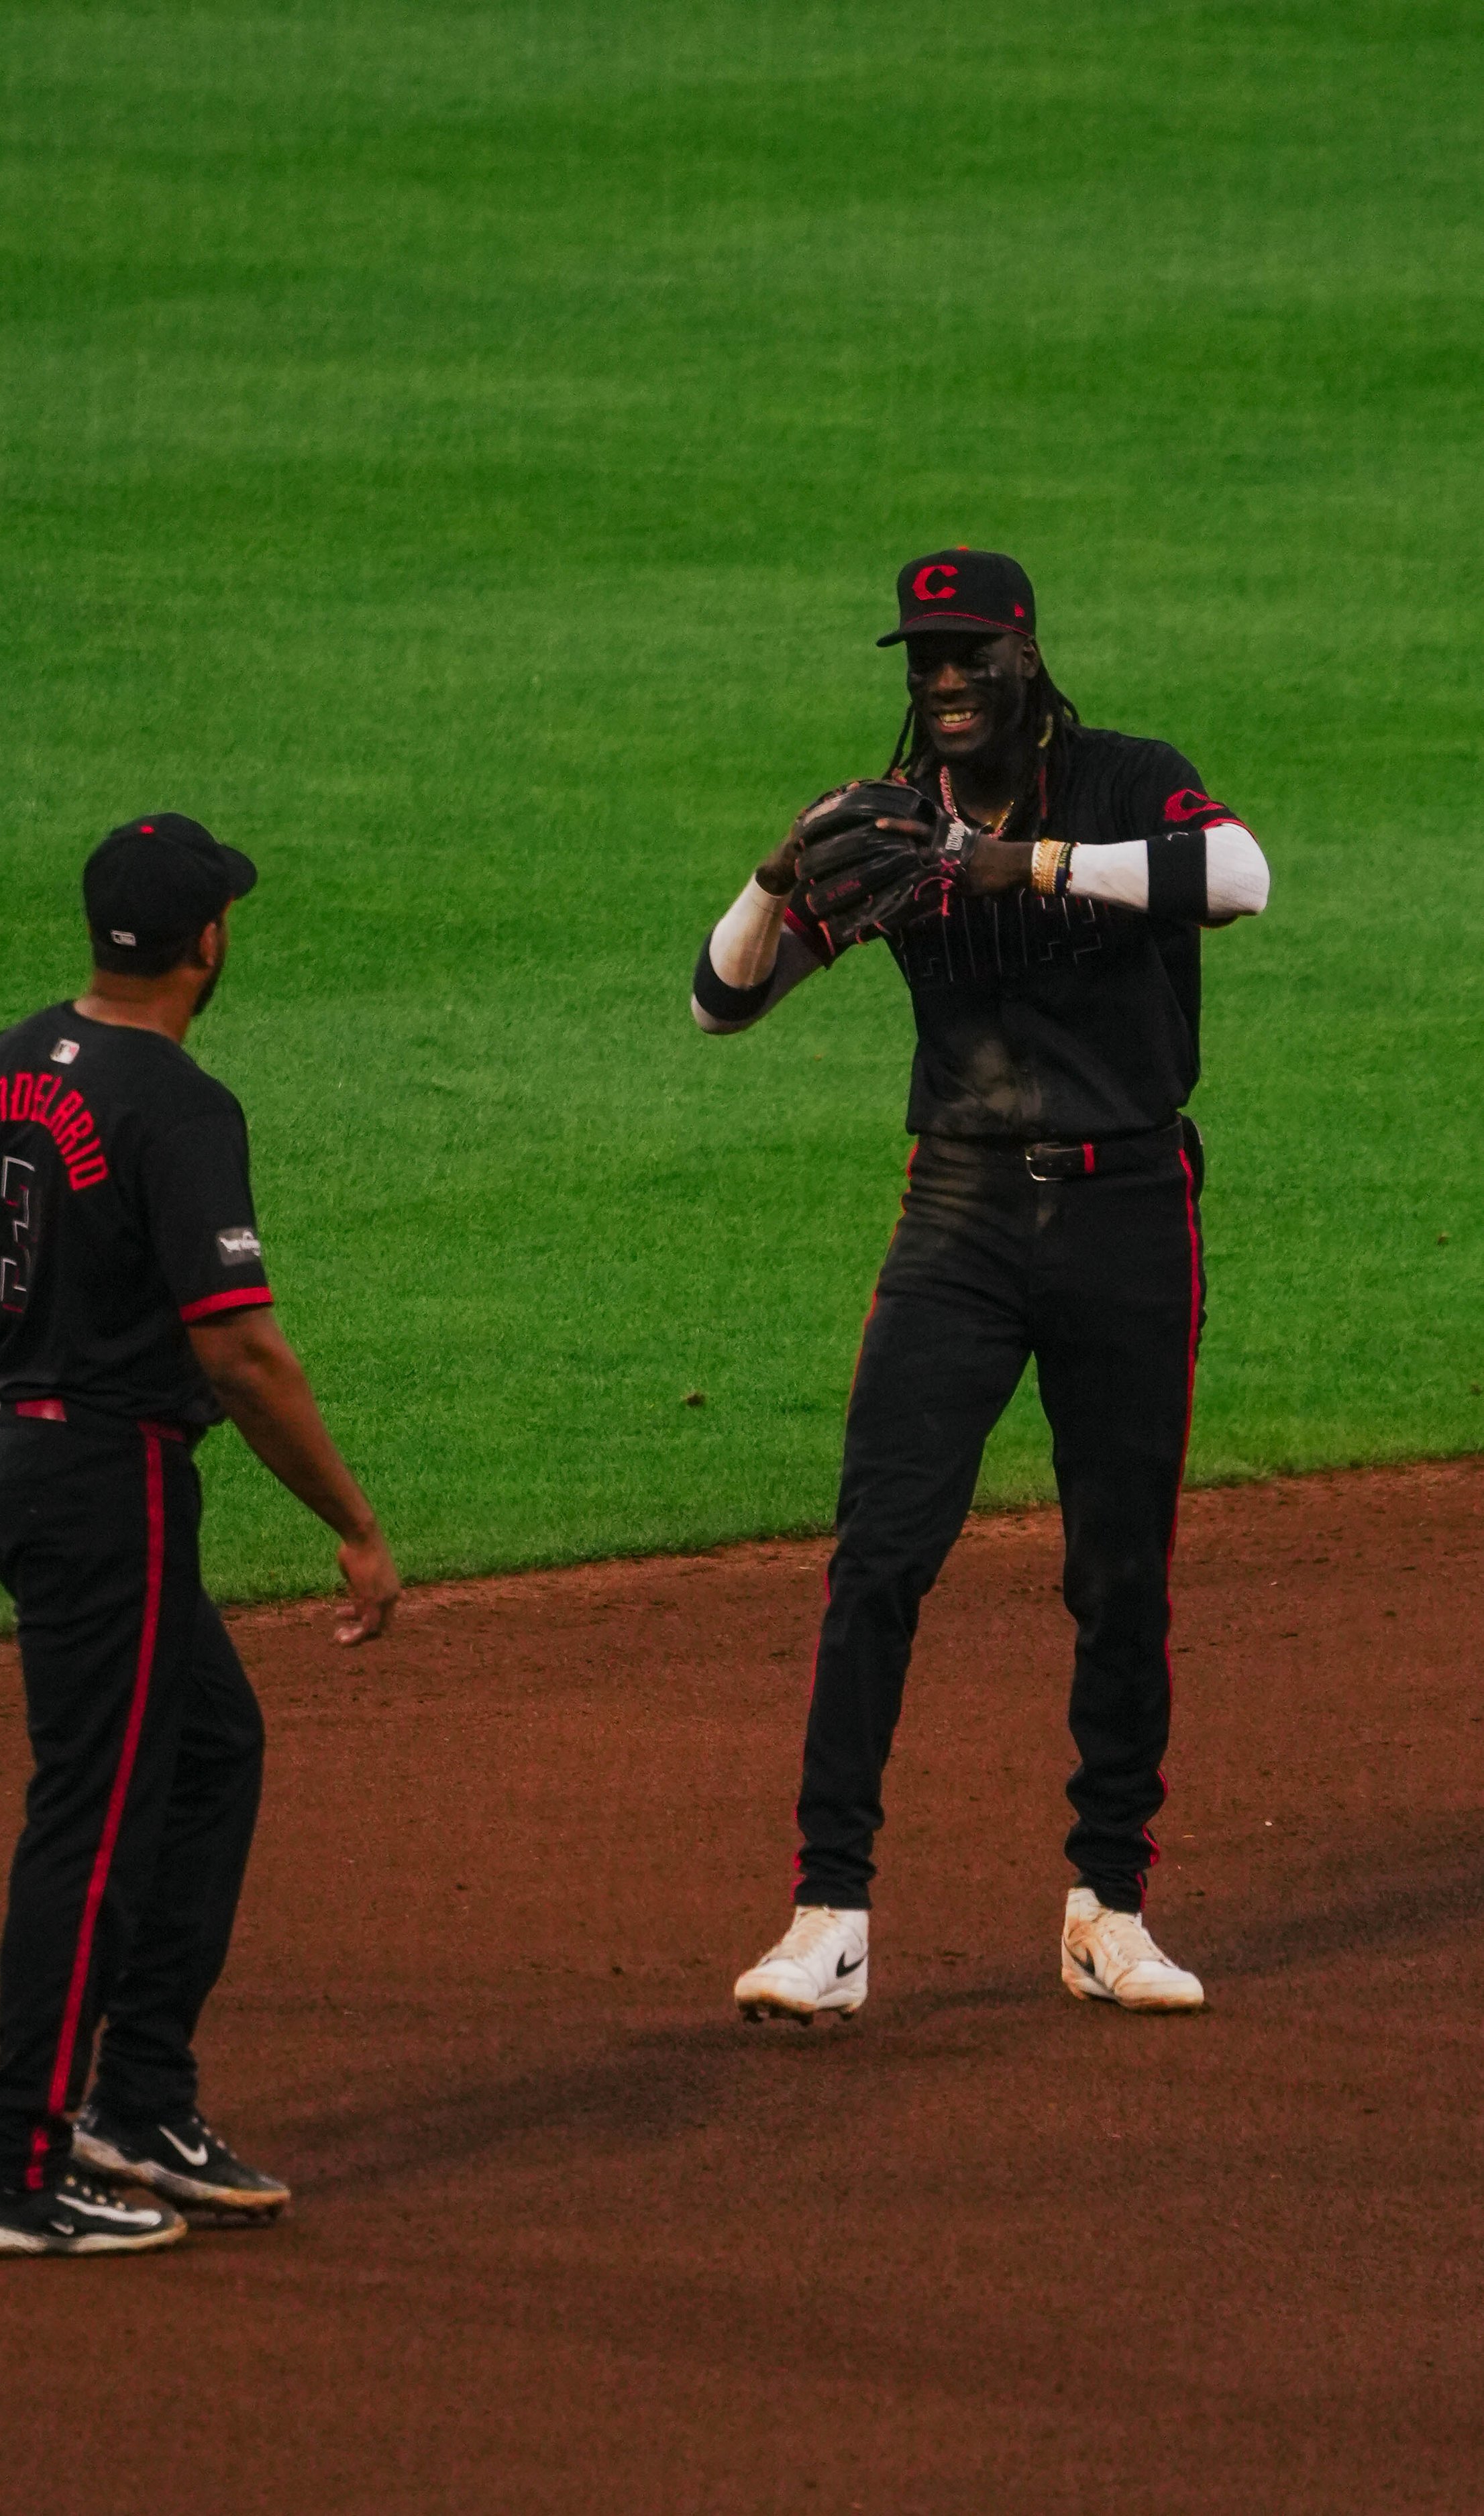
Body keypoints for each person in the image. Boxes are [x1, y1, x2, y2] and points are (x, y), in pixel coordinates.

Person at [691, 549, 1269, 2024]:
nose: (940, 682)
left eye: (966, 657)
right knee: (879, 1552)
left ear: (1025, 657)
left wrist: (1031, 867)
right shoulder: (889, 825)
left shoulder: (1127, 780)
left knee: (1115, 1566)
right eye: (919, 660)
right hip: (953, 1215)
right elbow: (720, 999)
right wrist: (776, 870)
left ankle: (1106, 1908)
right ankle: (829, 1916)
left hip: (1128, 1207)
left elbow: (1241, 879)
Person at [0, 813, 400, 2256]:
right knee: (95, 1814)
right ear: (208, 943)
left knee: (208, 1753)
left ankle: (140, 2098)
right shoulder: (180, 1106)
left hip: (8, 1457)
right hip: (107, 1478)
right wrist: (353, 1526)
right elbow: (239, 1355)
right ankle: (15, 2167)